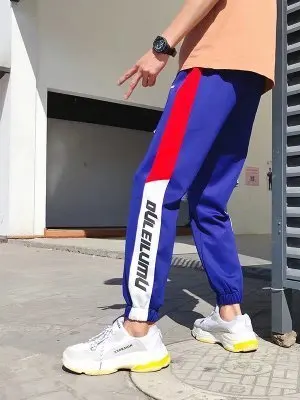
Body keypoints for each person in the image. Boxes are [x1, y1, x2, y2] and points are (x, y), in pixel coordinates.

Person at [62, 0, 276, 376]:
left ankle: (137, 329)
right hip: (253, 73)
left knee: (156, 186)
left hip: (212, 60)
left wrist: (163, 45)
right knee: (209, 199)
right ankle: (231, 315)